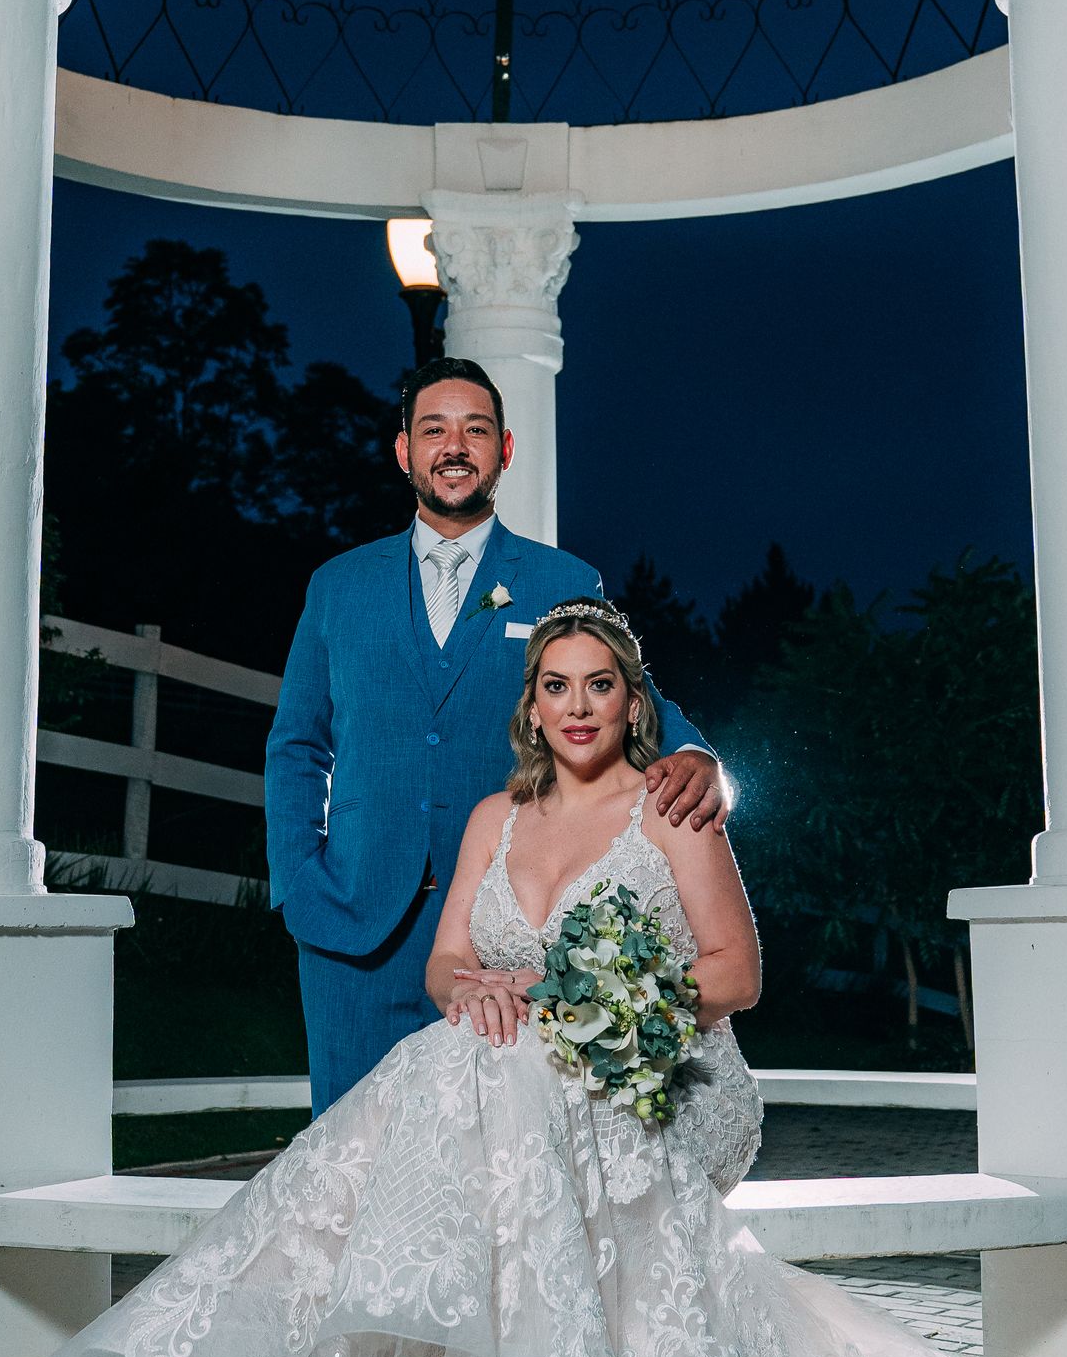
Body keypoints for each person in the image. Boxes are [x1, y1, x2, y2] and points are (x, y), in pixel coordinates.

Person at [50, 600, 1067, 1357]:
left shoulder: (672, 812)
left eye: (599, 686)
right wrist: (474, 988)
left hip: (671, 1074)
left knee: (500, 1063)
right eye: (556, 686)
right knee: (461, 1052)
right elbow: (443, 963)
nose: (577, 707)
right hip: (520, 1070)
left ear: (633, 701)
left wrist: (598, 1000)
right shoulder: (493, 818)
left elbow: (735, 975)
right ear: (531, 706)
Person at [264, 356, 725, 1111]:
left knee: (485, 1169)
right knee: (345, 1163)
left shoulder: (558, 578)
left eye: (475, 430)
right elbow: (297, 747)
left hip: (502, 932)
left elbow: (623, 692)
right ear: (403, 449)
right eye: (434, 429)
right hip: (350, 924)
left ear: (504, 450)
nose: (455, 446)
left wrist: (696, 754)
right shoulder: (337, 585)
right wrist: (300, 884)